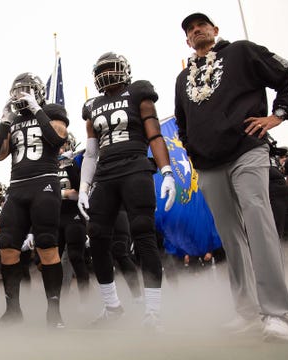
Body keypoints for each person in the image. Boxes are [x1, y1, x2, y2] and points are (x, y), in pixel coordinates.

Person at [174, 13, 288, 342]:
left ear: (215, 30)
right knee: (230, 237)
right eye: (190, 29)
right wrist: (193, 152)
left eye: (201, 25)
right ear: (187, 40)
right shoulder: (183, 78)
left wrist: (278, 115)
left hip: (247, 149)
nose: (196, 30)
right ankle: (246, 311)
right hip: (209, 165)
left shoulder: (241, 51)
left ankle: (276, 313)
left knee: (258, 220)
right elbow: (182, 125)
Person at [78, 52, 176, 331]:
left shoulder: (138, 92)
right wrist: (85, 186)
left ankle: (153, 310)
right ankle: (112, 306)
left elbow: (154, 134)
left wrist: (166, 171)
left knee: (143, 231)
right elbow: (91, 152)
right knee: (96, 237)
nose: (107, 74)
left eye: (112, 68)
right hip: (106, 173)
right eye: (103, 69)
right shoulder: (92, 106)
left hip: (134, 165)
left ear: (124, 70)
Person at [0, 72, 69, 328]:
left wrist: (37, 110)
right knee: (7, 245)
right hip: (17, 188)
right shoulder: (13, 120)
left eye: (27, 90)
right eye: (18, 90)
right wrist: (4, 121)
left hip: (44, 183)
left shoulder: (52, 111)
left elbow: (58, 140)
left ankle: (54, 311)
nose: (22, 95)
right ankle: (12, 310)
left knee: (47, 243)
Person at [57, 132, 90, 303]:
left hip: (73, 216)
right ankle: (56, 300)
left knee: (76, 257)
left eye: (64, 144)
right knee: (52, 260)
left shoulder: (78, 162)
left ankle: (85, 300)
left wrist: (69, 165)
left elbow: (79, 191)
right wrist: (64, 193)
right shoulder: (49, 166)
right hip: (55, 217)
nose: (61, 147)